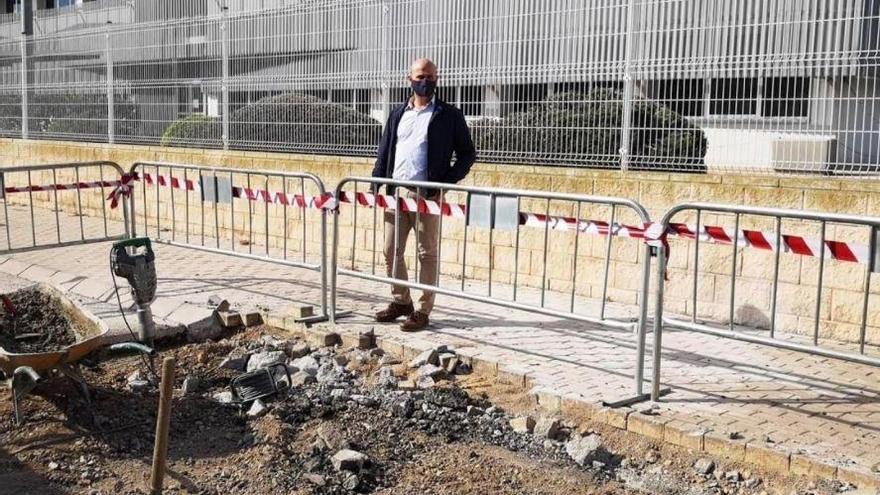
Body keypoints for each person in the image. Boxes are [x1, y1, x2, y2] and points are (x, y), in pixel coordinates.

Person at [371, 57, 477, 331]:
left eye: (430, 77)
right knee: (390, 251)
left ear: (437, 79)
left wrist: (444, 182)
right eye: (420, 76)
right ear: (409, 79)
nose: (425, 81)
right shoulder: (397, 113)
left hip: (426, 195)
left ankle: (422, 309)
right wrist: (375, 181)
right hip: (396, 192)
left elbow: (467, 154)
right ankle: (401, 301)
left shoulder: (449, 115)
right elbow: (385, 150)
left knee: (426, 253)